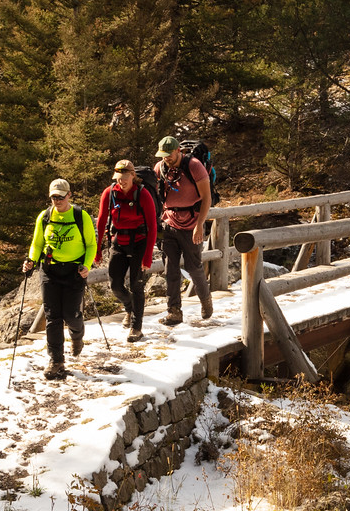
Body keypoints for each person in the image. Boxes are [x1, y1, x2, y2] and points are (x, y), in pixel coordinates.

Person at [21, 177, 98, 380]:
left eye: (60, 197)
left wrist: (87, 266)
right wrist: (30, 260)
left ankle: (77, 336)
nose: (57, 201)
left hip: (74, 272)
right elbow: (37, 244)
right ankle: (56, 360)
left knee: (72, 315)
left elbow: (91, 245)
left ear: (69, 195)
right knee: (53, 317)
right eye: (53, 197)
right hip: (50, 271)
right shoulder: (44, 217)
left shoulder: (81, 216)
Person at [96, 160, 157, 343]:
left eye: (124, 178)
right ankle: (129, 307)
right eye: (118, 178)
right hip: (119, 242)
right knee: (115, 284)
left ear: (132, 176)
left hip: (139, 242)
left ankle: (136, 328)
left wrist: (147, 257)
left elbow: (153, 226)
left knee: (136, 285)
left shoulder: (142, 194)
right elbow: (101, 221)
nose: (121, 182)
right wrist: (97, 251)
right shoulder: (109, 193)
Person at [154, 136, 212, 324]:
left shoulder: (194, 166)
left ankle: (206, 301)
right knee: (170, 268)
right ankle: (174, 311)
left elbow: (206, 198)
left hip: (191, 225)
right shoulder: (160, 168)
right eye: (163, 155)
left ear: (178, 150)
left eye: (169, 155)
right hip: (169, 223)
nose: (166, 159)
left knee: (193, 267)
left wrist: (199, 225)